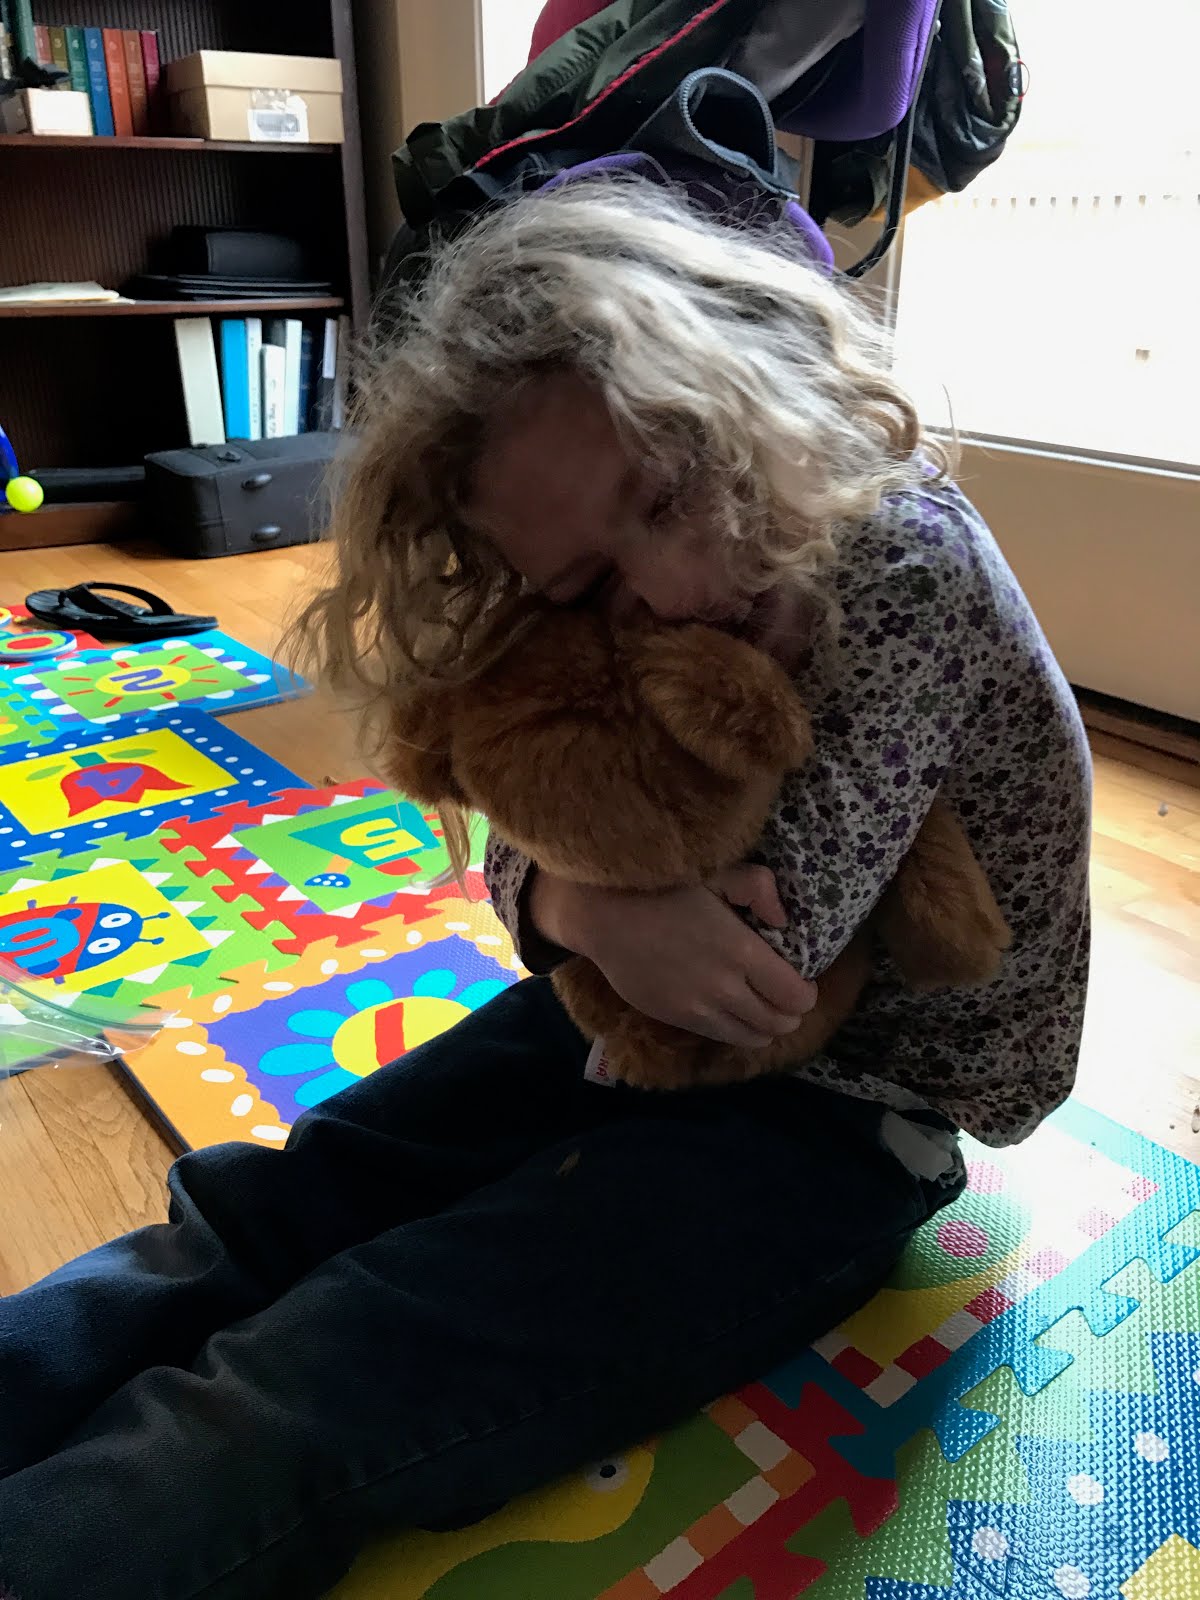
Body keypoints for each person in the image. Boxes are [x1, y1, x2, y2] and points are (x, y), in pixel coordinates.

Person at [0, 180, 1091, 1600]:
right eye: (585, 585)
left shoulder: (904, 566)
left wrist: (583, 893)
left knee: (342, 1363)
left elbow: (757, 964)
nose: (672, 589)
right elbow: (524, 819)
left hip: (845, 1108)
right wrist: (582, 906)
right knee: (274, 1205)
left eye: (669, 495)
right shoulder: (641, 582)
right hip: (638, 998)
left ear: (748, 385)